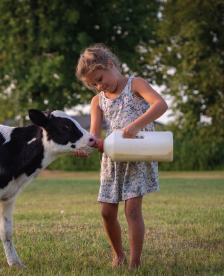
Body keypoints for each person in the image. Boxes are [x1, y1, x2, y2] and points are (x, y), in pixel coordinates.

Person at [74, 43, 168, 270]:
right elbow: (95, 135)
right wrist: (86, 147)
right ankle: (119, 254)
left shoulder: (136, 84)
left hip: (139, 154)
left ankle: (134, 263)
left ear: (110, 65)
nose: (99, 85)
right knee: (106, 212)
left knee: (132, 210)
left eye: (100, 78)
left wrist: (136, 126)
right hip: (113, 159)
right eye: (93, 84)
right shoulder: (98, 100)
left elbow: (161, 104)